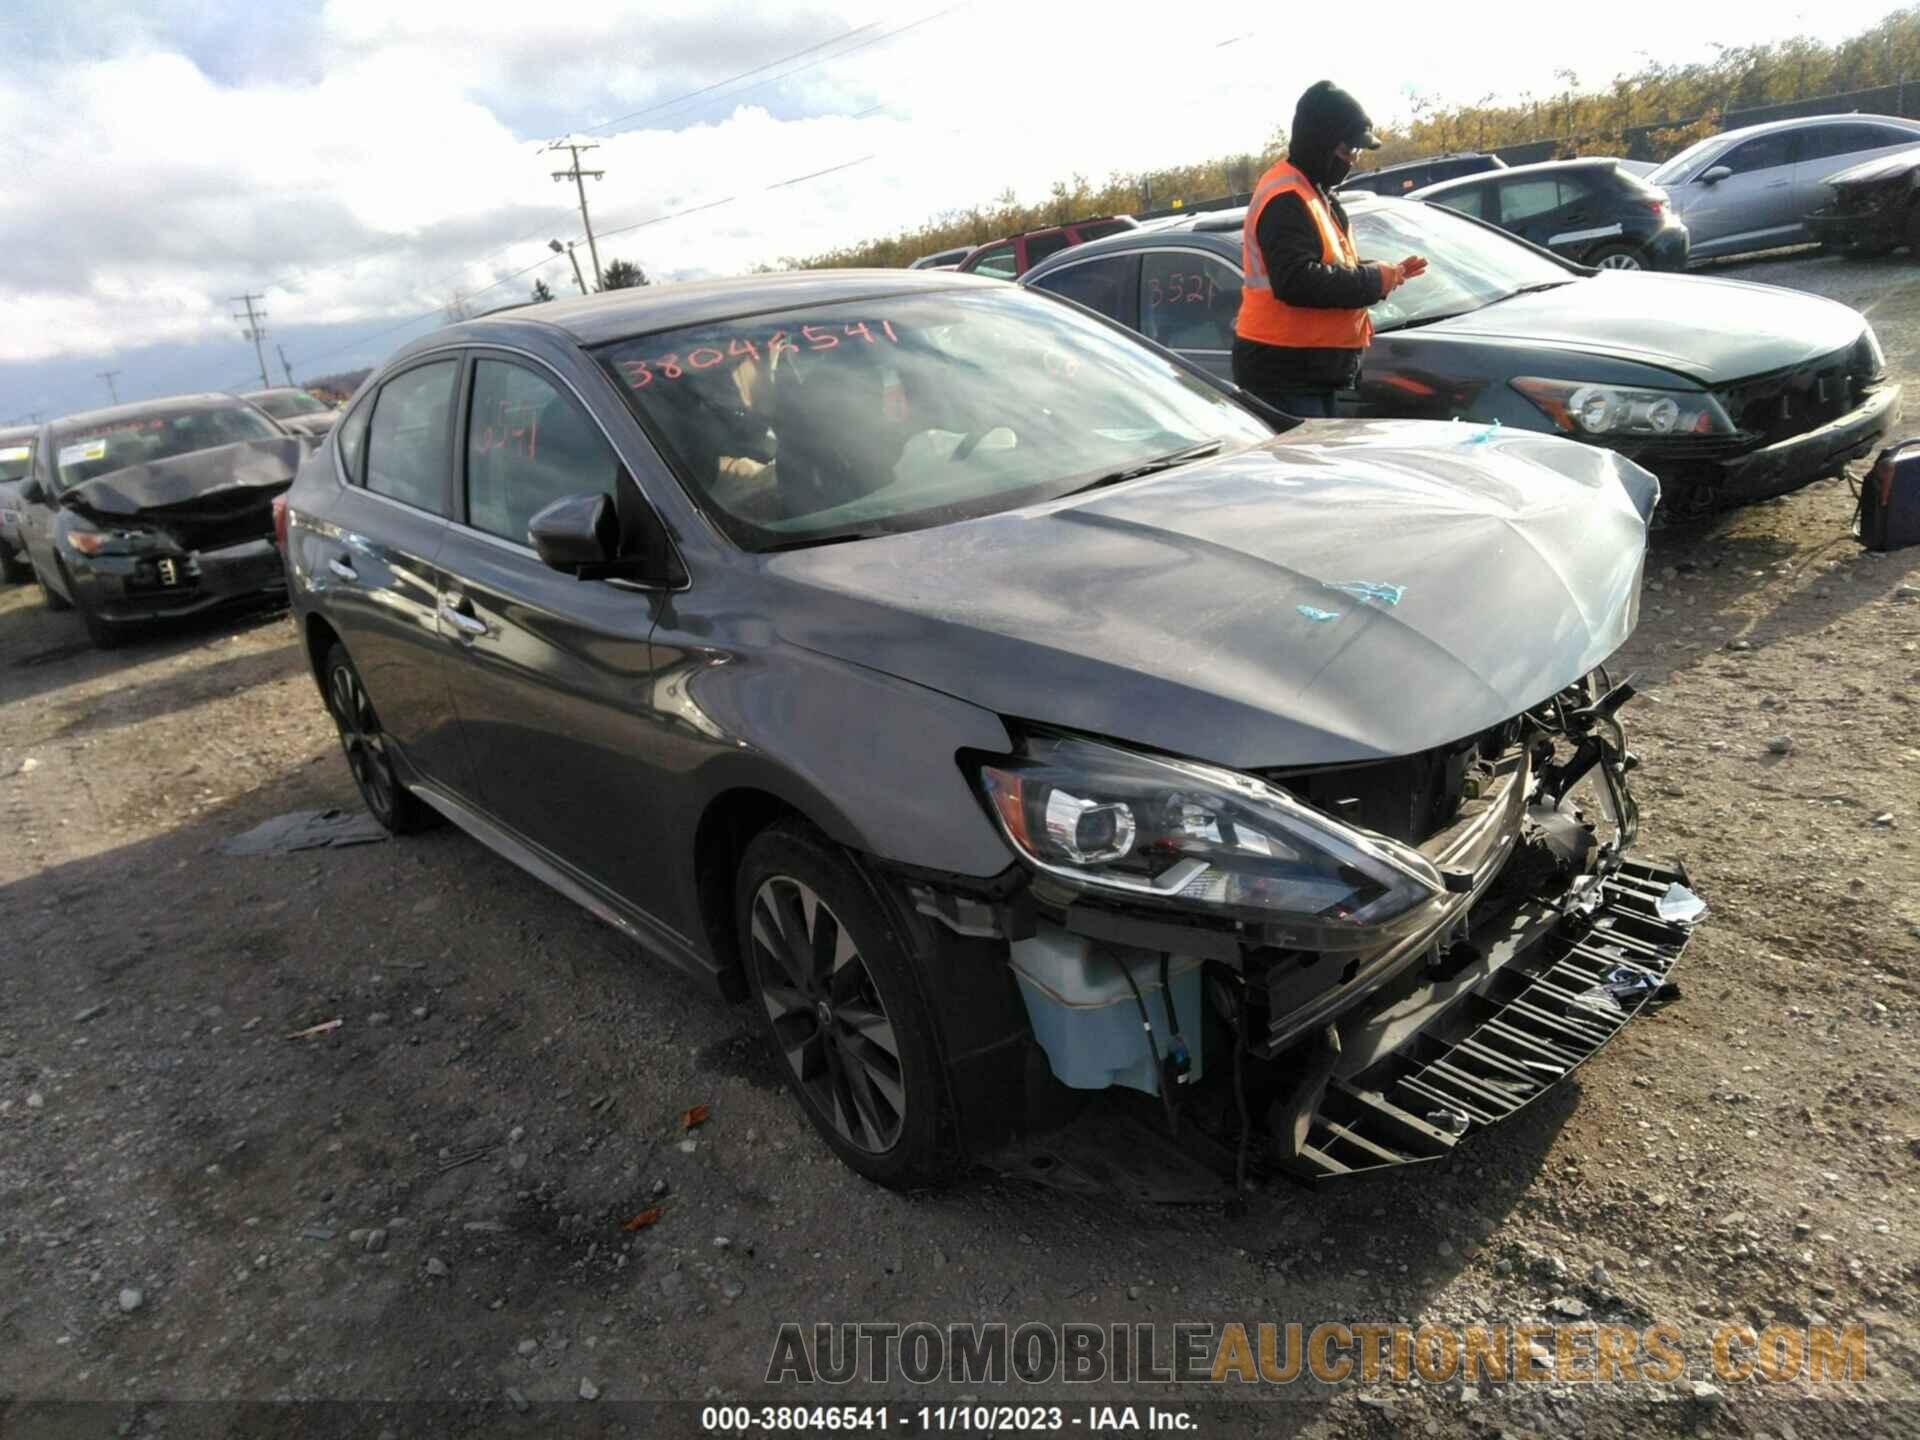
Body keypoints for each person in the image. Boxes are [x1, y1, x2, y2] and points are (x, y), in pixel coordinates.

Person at [1233, 80, 1428, 418]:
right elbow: (1297, 280)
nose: (1353, 159)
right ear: (1321, 142)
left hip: (1307, 370)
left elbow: (1328, 264)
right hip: (1286, 372)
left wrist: (1385, 274)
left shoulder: (1313, 190)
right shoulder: (1286, 197)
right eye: (1348, 149)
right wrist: (1372, 280)